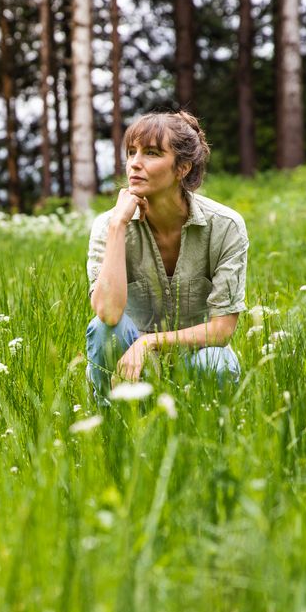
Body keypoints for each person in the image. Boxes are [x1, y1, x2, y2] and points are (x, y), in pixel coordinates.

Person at [85, 111, 248, 402]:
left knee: (217, 364)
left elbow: (222, 330)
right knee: (102, 329)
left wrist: (151, 342)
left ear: (182, 168)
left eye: (151, 153)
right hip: (131, 367)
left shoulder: (225, 226)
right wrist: (118, 226)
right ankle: (114, 427)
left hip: (195, 359)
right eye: (131, 152)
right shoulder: (109, 226)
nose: (134, 163)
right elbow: (108, 314)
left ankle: (207, 438)